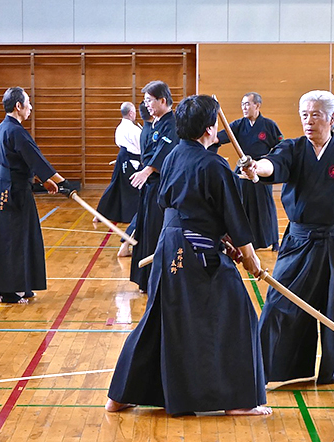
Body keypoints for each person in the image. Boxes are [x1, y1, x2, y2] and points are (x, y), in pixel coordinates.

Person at [106, 95, 271, 416]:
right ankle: (238, 401)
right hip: (198, 254)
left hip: (169, 247)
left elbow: (169, 203)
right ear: (211, 128)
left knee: (159, 317)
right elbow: (235, 218)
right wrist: (251, 258)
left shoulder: (172, 156)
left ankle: (122, 394)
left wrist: (219, 237)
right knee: (239, 315)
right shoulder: (214, 164)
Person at [242, 90, 334, 384]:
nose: (308, 121)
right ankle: (263, 368)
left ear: (332, 118)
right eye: (304, 115)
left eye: (315, 114)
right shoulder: (292, 149)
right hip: (299, 243)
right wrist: (256, 169)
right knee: (279, 304)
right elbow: (272, 165)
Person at [0, 87, 78, 304]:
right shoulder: (15, 131)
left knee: (22, 238)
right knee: (12, 240)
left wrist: (45, 180)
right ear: (18, 106)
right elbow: (37, 160)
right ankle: (8, 291)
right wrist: (62, 183)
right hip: (12, 192)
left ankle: (22, 285)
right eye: (28, 103)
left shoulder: (5, 127)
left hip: (13, 188)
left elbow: (25, 161)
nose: (31, 108)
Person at [216, 92, 283, 251]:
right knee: (238, 203)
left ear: (257, 106)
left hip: (260, 170)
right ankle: (240, 240)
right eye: (242, 104)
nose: (244, 107)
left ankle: (273, 240)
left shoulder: (269, 125)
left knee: (265, 206)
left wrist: (268, 163)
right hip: (243, 170)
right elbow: (220, 138)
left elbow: (281, 147)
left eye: (247, 104)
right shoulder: (238, 125)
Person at [129, 81, 178, 292]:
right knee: (146, 230)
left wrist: (147, 170)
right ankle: (146, 280)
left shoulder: (172, 123)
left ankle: (158, 280)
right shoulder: (156, 123)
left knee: (157, 231)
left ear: (162, 100)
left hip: (162, 186)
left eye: (149, 100)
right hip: (150, 186)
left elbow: (166, 151)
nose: (146, 104)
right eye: (145, 100)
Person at [94, 102, 143, 225]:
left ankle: (99, 214)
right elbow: (140, 148)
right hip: (131, 161)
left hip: (122, 158)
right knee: (133, 187)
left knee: (115, 185)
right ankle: (132, 217)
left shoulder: (120, 127)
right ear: (131, 113)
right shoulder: (133, 129)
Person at [117, 103, 153, 257]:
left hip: (138, 167)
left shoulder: (144, 129)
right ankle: (126, 244)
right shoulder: (145, 131)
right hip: (144, 171)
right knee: (145, 209)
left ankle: (126, 244)